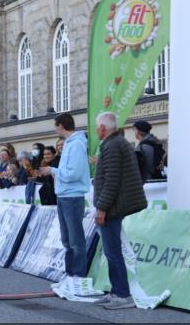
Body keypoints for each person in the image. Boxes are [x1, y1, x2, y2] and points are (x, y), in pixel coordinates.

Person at [93, 112, 148, 310]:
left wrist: (101, 208)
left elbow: (112, 182)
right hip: (113, 206)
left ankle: (122, 294)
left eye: (97, 126)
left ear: (102, 128)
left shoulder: (113, 145)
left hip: (112, 208)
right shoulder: (115, 143)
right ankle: (116, 291)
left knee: (113, 252)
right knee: (111, 251)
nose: (96, 130)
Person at [52, 113, 91, 284]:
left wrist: (53, 171)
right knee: (67, 239)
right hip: (64, 196)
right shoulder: (69, 144)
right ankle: (70, 273)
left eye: (56, 126)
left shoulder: (76, 145)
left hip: (73, 197)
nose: (55, 129)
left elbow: (72, 174)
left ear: (61, 126)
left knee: (75, 239)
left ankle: (78, 275)